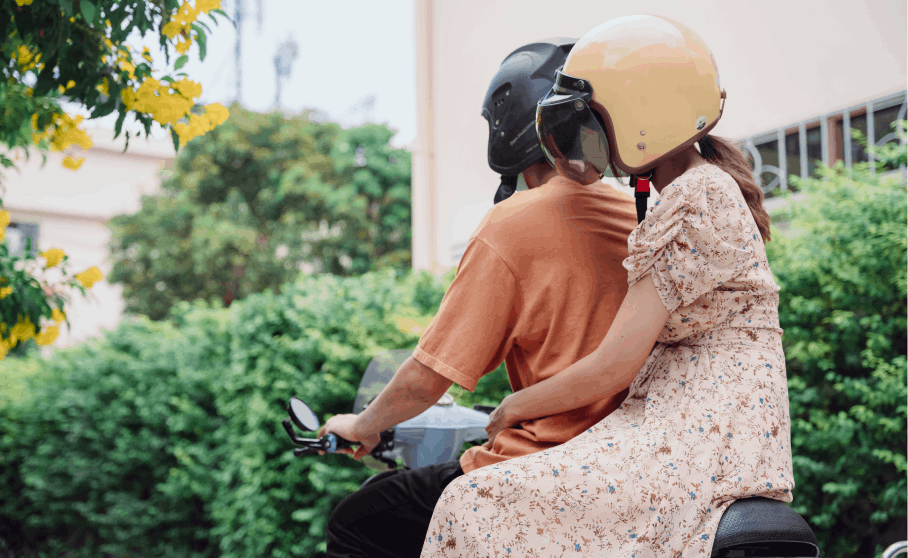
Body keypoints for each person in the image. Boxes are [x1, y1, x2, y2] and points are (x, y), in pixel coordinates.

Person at [419, 15, 794, 558]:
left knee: (474, 501)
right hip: (682, 425)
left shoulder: (697, 199)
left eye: (591, 120)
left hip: (704, 438)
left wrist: (513, 407)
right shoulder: (689, 193)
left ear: (641, 114)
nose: (584, 139)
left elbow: (612, 365)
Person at [317, 38, 639, 558]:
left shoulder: (512, 224)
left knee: (359, 520)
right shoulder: (633, 213)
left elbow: (427, 375)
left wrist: (362, 425)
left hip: (541, 464)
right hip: (629, 463)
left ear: (506, 128)